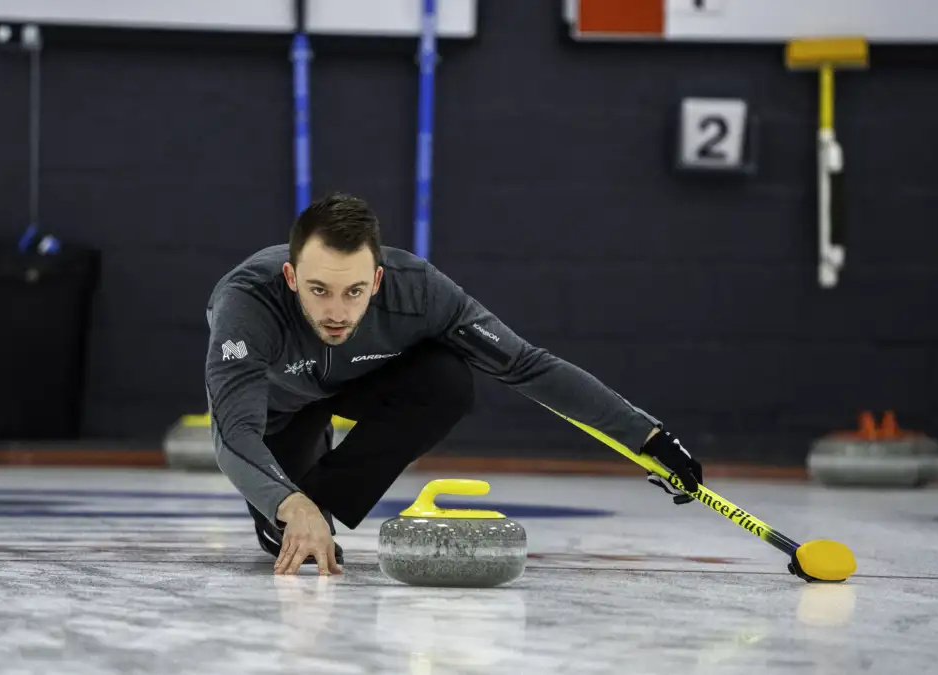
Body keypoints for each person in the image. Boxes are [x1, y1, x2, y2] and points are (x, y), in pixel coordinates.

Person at [204, 193, 703, 576]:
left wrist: (648, 436)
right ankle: (299, 503)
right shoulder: (247, 302)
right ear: (291, 278)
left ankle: (324, 498)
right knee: (285, 531)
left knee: (447, 379)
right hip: (280, 407)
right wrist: (287, 504)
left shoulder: (420, 292)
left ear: (378, 281)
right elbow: (233, 432)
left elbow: (526, 365)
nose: (337, 312)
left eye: (354, 291)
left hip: (358, 380)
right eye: (319, 291)